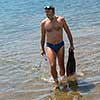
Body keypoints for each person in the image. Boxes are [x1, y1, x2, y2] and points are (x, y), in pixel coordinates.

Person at [40, 6, 74, 89]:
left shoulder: (61, 20)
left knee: (61, 65)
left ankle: (62, 79)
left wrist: (71, 44)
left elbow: (68, 32)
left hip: (60, 45)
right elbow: (43, 37)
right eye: (46, 12)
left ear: (53, 12)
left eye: (49, 11)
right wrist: (42, 48)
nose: (47, 13)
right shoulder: (44, 23)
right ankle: (56, 82)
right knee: (52, 65)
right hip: (50, 46)